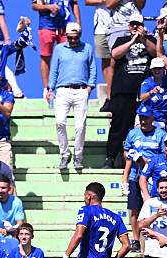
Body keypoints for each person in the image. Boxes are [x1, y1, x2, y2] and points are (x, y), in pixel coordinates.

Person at [104, 14, 156, 168]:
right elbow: (115, 54)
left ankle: (137, 161)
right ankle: (111, 157)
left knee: (140, 126)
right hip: (123, 91)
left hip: (143, 92)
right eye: (132, 24)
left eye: (138, 24)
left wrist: (143, 38)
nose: (135, 27)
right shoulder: (121, 40)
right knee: (118, 126)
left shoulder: (149, 40)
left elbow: (154, 52)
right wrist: (133, 40)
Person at [46, 22, 96, 170]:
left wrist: (89, 87)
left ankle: (78, 156)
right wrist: (50, 88)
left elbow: (92, 68)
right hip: (62, 90)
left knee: (80, 126)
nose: (73, 40)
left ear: (79, 35)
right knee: (60, 122)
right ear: (66, 36)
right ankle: (64, 154)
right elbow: (54, 69)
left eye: (76, 37)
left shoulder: (87, 48)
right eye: (70, 38)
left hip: (81, 90)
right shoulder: (59, 49)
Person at [122, 104, 167, 252]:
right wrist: (132, 157)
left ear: (152, 118)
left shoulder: (160, 134)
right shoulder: (133, 133)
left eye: (146, 118)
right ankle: (135, 240)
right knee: (134, 210)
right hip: (136, 177)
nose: (143, 121)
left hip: (154, 178)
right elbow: (125, 153)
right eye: (141, 118)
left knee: (154, 208)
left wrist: (147, 161)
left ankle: (155, 238)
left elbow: (164, 155)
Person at [33, 0, 81, 96]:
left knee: (68, 56)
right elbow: (35, 6)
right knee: (46, 57)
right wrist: (48, 7)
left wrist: (78, 23)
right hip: (46, 26)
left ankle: (67, 86)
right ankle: (47, 90)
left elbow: (74, 3)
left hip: (65, 27)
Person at [138, 177, 167, 258]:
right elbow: (140, 225)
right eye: (161, 188)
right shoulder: (149, 203)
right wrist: (156, 215)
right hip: (152, 254)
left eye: (166, 187)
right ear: (157, 189)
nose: (164, 190)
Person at [139, 57, 167, 128]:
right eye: (154, 68)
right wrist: (151, 92)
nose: (157, 71)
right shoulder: (147, 83)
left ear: (164, 69)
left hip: (165, 117)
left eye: (159, 68)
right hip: (149, 117)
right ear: (151, 70)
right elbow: (142, 98)